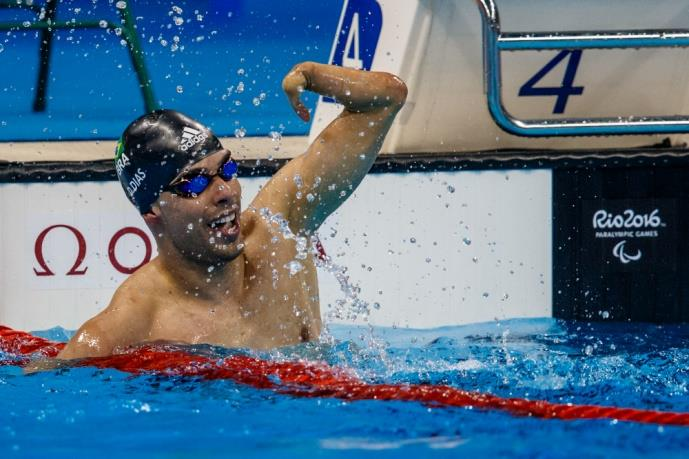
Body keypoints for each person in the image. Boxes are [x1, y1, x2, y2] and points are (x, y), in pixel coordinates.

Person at [57, 62, 407, 358]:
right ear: (152, 211)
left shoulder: (282, 229)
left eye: (226, 170)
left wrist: (311, 75)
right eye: (195, 183)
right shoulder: (135, 322)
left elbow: (384, 99)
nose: (225, 192)